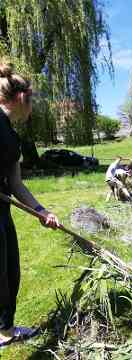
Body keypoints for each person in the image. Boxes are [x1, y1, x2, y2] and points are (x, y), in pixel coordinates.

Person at [0, 62, 59, 347]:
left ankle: (5, 330)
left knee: (10, 271)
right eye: (33, 101)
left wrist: (41, 211)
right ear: (22, 98)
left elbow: (16, 183)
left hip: (2, 211)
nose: (33, 109)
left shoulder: (12, 136)